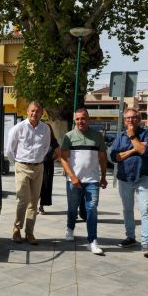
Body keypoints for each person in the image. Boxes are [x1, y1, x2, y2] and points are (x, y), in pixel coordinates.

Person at [59, 109, 107, 255]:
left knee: (92, 209)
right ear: (75, 120)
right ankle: (70, 228)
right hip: (74, 180)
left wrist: (103, 177)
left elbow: (103, 157)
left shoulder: (97, 136)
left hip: (92, 180)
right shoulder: (69, 136)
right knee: (72, 208)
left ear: (88, 119)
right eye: (78, 119)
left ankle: (92, 241)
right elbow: (62, 158)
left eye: (83, 118)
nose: (81, 121)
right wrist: (72, 176)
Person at [109, 108, 148, 257]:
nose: (130, 120)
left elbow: (145, 152)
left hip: (143, 177)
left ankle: (146, 243)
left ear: (139, 119)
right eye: (127, 118)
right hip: (124, 178)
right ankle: (130, 237)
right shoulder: (120, 137)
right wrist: (134, 150)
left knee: (145, 210)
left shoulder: (147, 134)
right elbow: (115, 157)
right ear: (124, 121)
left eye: (133, 117)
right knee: (127, 209)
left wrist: (133, 137)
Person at [5, 101, 51, 245]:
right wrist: (18, 164)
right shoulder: (18, 128)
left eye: (37, 111)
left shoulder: (45, 128)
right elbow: (9, 150)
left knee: (34, 202)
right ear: (27, 111)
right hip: (22, 167)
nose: (34, 113)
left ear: (41, 113)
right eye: (32, 110)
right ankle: (17, 229)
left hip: (38, 167)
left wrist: (37, 160)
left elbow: (45, 147)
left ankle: (29, 233)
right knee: (23, 200)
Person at [38, 125, 59, 214]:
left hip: (48, 166)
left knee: (45, 186)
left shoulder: (53, 141)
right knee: (36, 186)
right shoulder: (39, 139)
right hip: (37, 165)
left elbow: (59, 154)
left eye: (48, 129)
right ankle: (33, 205)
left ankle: (41, 206)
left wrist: (52, 159)